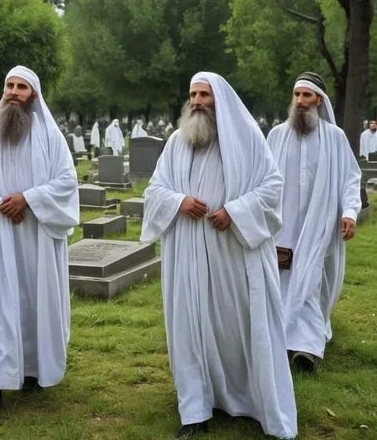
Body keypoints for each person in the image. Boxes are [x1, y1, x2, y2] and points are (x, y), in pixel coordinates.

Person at [141, 72, 297, 439]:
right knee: (188, 325)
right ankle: (195, 408)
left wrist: (236, 212)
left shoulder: (246, 140)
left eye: (204, 95)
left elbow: (272, 187)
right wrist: (178, 201)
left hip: (230, 255)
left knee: (234, 326)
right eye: (193, 94)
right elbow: (155, 189)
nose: (196, 101)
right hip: (186, 254)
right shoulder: (177, 142)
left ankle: (244, 396)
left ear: (219, 100)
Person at [0, 65, 79, 414]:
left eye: (21, 87)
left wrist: (27, 199)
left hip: (36, 239)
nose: (13, 92)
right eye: (9, 86)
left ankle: (32, 371)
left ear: (34, 95)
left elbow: (66, 182)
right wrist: (1, 203)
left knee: (33, 305)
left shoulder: (51, 138)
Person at [267, 72, 361, 372]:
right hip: (283, 226)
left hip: (320, 224)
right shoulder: (277, 136)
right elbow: (264, 180)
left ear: (319, 100)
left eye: (307, 95)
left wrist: (349, 212)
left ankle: (306, 346)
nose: (300, 101)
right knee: (284, 280)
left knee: (311, 280)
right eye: (297, 95)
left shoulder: (334, 138)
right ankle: (293, 342)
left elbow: (350, 178)